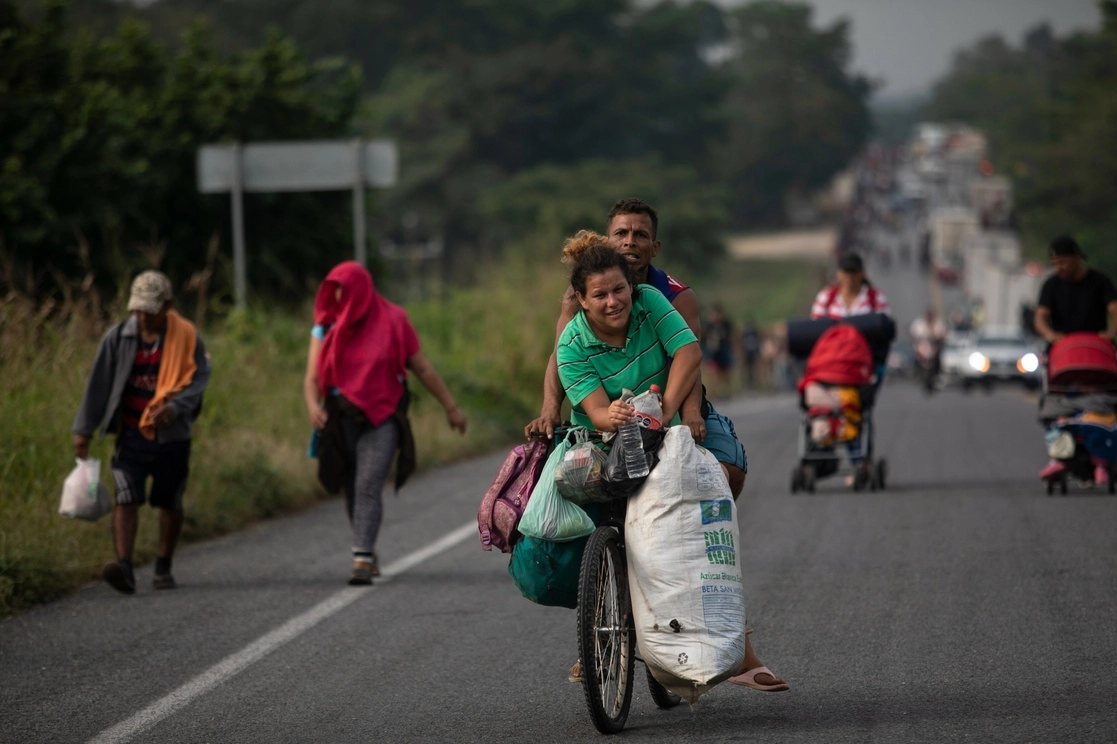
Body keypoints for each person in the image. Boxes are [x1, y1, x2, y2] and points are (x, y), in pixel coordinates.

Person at [555, 232, 787, 692]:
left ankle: (734, 646)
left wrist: (665, 414)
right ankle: (605, 629)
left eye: (618, 290)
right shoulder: (571, 345)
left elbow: (689, 352)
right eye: (599, 295)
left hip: (668, 423)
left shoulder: (652, 300)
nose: (612, 301)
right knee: (599, 518)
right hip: (604, 439)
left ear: (632, 287)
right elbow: (597, 410)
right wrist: (615, 416)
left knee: (707, 506)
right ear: (581, 301)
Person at [304, 261, 467, 585]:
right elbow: (311, 377)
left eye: (347, 291)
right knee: (350, 487)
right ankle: (366, 548)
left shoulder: (394, 320)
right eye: (335, 291)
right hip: (340, 418)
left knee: (368, 484)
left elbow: (422, 369)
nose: (340, 297)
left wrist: (451, 407)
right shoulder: (326, 326)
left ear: (363, 291)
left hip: (383, 418)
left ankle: (361, 557)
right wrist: (312, 406)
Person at [72, 270, 211, 594]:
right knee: (126, 498)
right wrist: (84, 430)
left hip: (173, 438)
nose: (143, 317)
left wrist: (175, 409)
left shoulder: (188, 337)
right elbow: (98, 386)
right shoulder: (117, 338)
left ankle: (163, 566)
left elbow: (199, 380)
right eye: (138, 310)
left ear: (168, 306)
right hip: (131, 436)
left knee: (169, 502)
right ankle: (124, 567)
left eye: (150, 310)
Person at [1033, 235, 1117, 482]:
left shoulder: (1100, 282)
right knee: (1053, 401)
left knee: (1106, 399)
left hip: (1096, 354)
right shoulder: (1051, 285)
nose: (1058, 268)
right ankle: (1059, 453)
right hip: (1063, 356)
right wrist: (1051, 335)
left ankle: (1104, 456)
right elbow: (1040, 317)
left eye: (1063, 263)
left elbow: (1114, 309)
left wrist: (1111, 334)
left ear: (1077, 258)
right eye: (1055, 263)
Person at [810, 252, 891, 482]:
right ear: (839, 274)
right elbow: (814, 333)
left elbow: (884, 333)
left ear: (861, 274)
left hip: (862, 369)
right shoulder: (826, 298)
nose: (849, 278)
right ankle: (825, 456)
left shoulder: (875, 299)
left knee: (858, 411)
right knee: (828, 409)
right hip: (831, 367)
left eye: (853, 273)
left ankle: (860, 462)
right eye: (845, 272)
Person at [701, 303, 734, 393]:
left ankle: (726, 390)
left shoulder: (726, 324)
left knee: (726, 372)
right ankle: (713, 391)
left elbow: (731, 337)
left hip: (723, 350)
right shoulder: (708, 325)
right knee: (712, 371)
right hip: (711, 351)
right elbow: (703, 338)